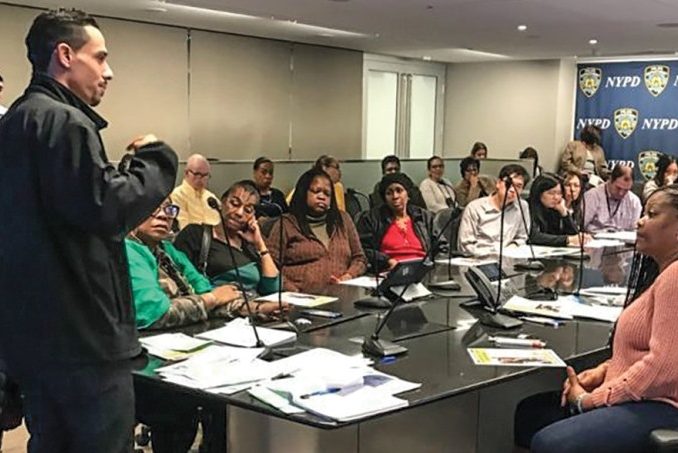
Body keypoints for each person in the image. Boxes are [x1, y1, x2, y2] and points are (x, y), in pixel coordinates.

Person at [0, 8, 178, 452]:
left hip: (36, 339)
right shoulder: (65, 122)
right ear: (65, 55)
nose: (108, 72)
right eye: (100, 57)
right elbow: (107, 208)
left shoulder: (14, 122)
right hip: (85, 343)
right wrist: (155, 160)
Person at [516, 185, 678, 453]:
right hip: (646, 394)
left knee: (550, 442)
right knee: (530, 416)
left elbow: (662, 368)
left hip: (664, 405)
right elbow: (644, 350)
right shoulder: (661, 275)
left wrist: (591, 400)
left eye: (652, 214)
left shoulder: (675, 277)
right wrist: (604, 370)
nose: (640, 221)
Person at [268, 168, 367, 292]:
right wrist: (291, 290)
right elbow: (270, 266)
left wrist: (349, 276)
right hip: (299, 297)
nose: (322, 197)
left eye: (327, 194)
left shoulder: (343, 220)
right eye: (316, 191)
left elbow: (360, 258)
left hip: (341, 295)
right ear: (303, 193)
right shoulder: (286, 224)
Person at [174, 180, 281, 295]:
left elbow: (273, 287)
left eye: (248, 210)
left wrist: (260, 244)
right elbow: (177, 277)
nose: (239, 213)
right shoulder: (196, 234)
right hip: (217, 302)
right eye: (234, 204)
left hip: (255, 303)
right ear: (222, 202)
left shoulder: (250, 246)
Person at [357, 173, 444, 272]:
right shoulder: (372, 219)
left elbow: (442, 247)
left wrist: (436, 268)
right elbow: (363, 250)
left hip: (423, 271)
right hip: (389, 271)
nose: (395, 196)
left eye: (399, 191)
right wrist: (387, 261)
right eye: (389, 193)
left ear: (408, 194)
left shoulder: (424, 217)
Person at [458, 164, 530, 256]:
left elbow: (522, 238)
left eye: (518, 186)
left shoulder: (522, 207)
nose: (512, 190)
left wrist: (511, 248)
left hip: (509, 257)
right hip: (480, 259)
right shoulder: (475, 208)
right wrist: (493, 253)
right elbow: (465, 246)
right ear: (498, 183)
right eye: (508, 184)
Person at [528, 174, 591, 247]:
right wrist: (567, 239)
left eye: (559, 193)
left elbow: (574, 235)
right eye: (551, 193)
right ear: (539, 193)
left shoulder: (555, 208)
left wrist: (564, 213)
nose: (556, 197)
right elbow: (534, 236)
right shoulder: (528, 207)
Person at [583, 164, 642, 233]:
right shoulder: (592, 196)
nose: (621, 193)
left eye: (626, 190)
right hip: (594, 237)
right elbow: (581, 226)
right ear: (610, 180)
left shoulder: (634, 202)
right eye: (618, 188)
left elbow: (634, 231)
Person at [171, 153, 221, 229]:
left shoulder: (211, 198)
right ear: (186, 173)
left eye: (205, 175)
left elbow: (221, 224)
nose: (201, 179)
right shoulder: (176, 195)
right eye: (197, 174)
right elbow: (183, 227)